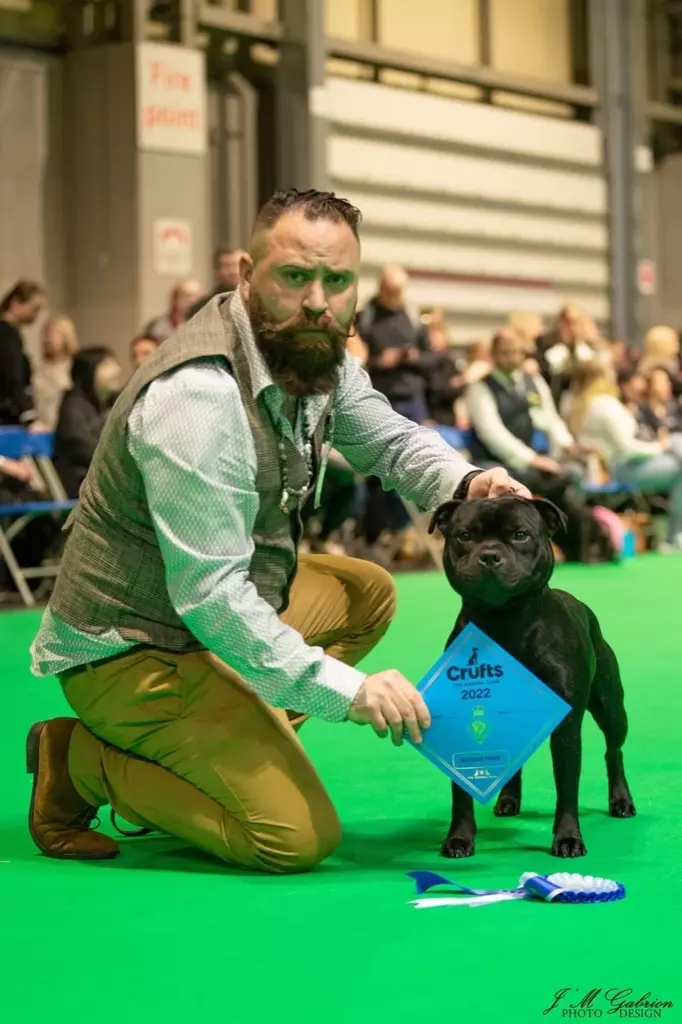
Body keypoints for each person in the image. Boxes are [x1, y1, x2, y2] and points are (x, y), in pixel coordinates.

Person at [28, 188, 526, 872]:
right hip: (135, 645)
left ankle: (224, 740)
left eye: (337, 280)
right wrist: (349, 691)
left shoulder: (313, 353)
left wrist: (469, 482)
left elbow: (388, 441)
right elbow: (212, 600)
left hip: (206, 615)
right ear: (245, 273)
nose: (318, 300)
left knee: (366, 592)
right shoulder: (196, 400)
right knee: (293, 839)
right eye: (295, 276)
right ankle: (80, 761)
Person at [570, 360, 682, 551]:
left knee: (677, 443)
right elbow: (627, 448)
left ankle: (674, 536)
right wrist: (660, 447)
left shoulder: (589, 404)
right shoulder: (605, 404)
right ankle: (673, 537)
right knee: (678, 457)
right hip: (618, 468)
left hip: (619, 464)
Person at [52, 347, 123, 499]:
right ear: (88, 372)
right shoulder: (73, 405)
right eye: (107, 366)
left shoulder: (113, 403)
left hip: (105, 480)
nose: (117, 370)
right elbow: (80, 445)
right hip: (80, 484)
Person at [0, 280, 47, 427]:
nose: (36, 316)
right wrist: (28, 416)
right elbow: (12, 376)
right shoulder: (6, 335)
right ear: (15, 303)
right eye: (34, 309)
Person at [32, 316, 79, 430]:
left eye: (53, 335)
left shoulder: (75, 367)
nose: (48, 340)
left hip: (66, 429)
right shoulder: (37, 368)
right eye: (46, 335)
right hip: (41, 429)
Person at [186, 246, 247, 319]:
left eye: (235, 265)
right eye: (226, 266)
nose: (233, 271)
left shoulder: (257, 302)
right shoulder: (202, 308)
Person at [142, 279, 203, 343]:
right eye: (186, 296)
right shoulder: (156, 327)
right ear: (174, 299)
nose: (192, 300)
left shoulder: (206, 325)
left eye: (197, 296)